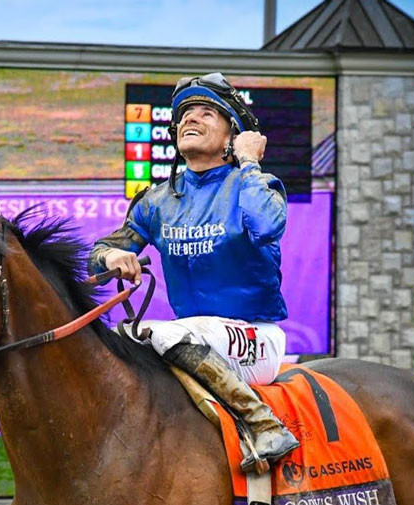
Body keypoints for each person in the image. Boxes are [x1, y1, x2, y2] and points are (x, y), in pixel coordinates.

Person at [89, 73, 298, 472]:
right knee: (116, 337)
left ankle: (264, 424)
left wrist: (250, 161)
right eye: (184, 114)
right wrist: (113, 257)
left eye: (206, 113)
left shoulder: (252, 183)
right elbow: (99, 252)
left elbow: (268, 226)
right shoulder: (155, 200)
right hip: (194, 339)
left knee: (165, 331)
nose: (190, 119)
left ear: (230, 139)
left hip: (258, 340)